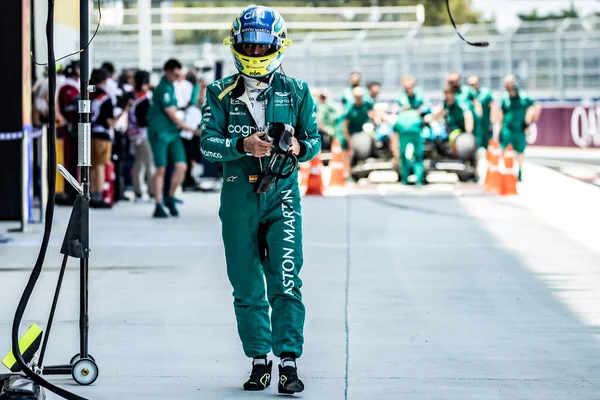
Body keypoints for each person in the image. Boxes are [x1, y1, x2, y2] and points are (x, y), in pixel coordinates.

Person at [200, 5, 321, 394]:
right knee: (246, 286)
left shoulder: (298, 91)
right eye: (247, 46)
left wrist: (299, 146)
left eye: (261, 46)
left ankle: (288, 362)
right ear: (235, 46)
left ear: (277, 46)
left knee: (286, 280)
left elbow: (315, 143)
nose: (254, 53)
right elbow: (207, 144)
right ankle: (259, 361)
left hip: (282, 198)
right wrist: (243, 145)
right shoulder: (218, 92)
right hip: (238, 201)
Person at [147, 59, 200, 218]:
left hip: (172, 132)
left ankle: (169, 196)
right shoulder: (163, 89)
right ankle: (158, 203)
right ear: (167, 71)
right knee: (161, 169)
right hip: (160, 133)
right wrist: (192, 129)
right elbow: (172, 114)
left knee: (181, 166)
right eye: (176, 74)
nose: (178, 77)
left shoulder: (172, 87)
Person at [89, 68, 130, 208]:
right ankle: (98, 196)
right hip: (103, 136)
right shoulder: (105, 97)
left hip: (89, 134)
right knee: (100, 166)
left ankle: (91, 194)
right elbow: (109, 122)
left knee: (92, 166)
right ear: (105, 80)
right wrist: (124, 111)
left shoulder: (89, 94)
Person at [498, 75, 540, 181]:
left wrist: (529, 122)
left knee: (520, 150)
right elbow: (501, 113)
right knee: (504, 148)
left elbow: (535, 107)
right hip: (507, 127)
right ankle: (505, 170)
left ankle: (520, 171)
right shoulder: (504, 98)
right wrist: (498, 129)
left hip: (519, 128)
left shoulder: (524, 97)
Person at [127, 70, 154, 201]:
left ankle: (137, 191)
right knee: (149, 162)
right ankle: (152, 191)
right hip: (142, 134)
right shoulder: (144, 99)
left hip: (132, 133)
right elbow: (145, 120)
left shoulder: (131, 94)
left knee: (138, 163)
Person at [342, 86, 377, 180]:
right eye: (356, 97)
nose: (359, 99)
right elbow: (344, 125)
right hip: (349, 132)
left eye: (360, 96)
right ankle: (348, 174)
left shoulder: (367, 103)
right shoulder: (350, 107)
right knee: (348, 152)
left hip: (360, 132)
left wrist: (375, 118)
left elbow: (374, 111)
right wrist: (348, 139)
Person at [391, 108, 425, 185]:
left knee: (403, 157)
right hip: (416, 132)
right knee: (418, 157)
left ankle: (405, 180)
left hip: (403, 133)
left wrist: (395, 153)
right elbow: (423, 125)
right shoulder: (415, 114)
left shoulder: (400, 115)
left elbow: (395, 131)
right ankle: (419, 180)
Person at [467, 75, 495, 149]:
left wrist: (492, 123)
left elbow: (493, 107)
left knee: (488, 146)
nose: (473, 86)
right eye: (471, 84)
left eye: (474, 83)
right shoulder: (466, 95)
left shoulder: (485, 93)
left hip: (485, 125)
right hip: (473, 126)